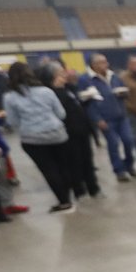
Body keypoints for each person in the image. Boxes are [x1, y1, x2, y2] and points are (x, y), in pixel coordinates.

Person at [1, 61, 74, 213]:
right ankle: (68, 196)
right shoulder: (46, 91)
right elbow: (61, 114)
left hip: (32, 139)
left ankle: (63, 201)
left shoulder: (10, 98)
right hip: (57, 134)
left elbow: (12, 122)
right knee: (63, 166)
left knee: (49, 170)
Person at [40, 62, 101, 200]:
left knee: (88, 160)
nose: (65, 74)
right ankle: (79, 190)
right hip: (69, 133)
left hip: (82, 130)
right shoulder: (52, 94)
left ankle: (93, 188)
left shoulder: (69, 89)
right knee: (74, 163)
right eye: (61, 73)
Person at [79, 53, 136, 182]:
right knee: (113, 144)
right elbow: (87, 102)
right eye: (102, 62)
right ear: (93, 65)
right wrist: (97, 119)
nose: (106, 65)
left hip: (121, 115)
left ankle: (129, 165)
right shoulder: (85, 79)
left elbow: (123, 90)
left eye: (106, 61)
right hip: (105, 118)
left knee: (128, 141)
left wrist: (123, 93)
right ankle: (119, 170)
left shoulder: (113, 76)